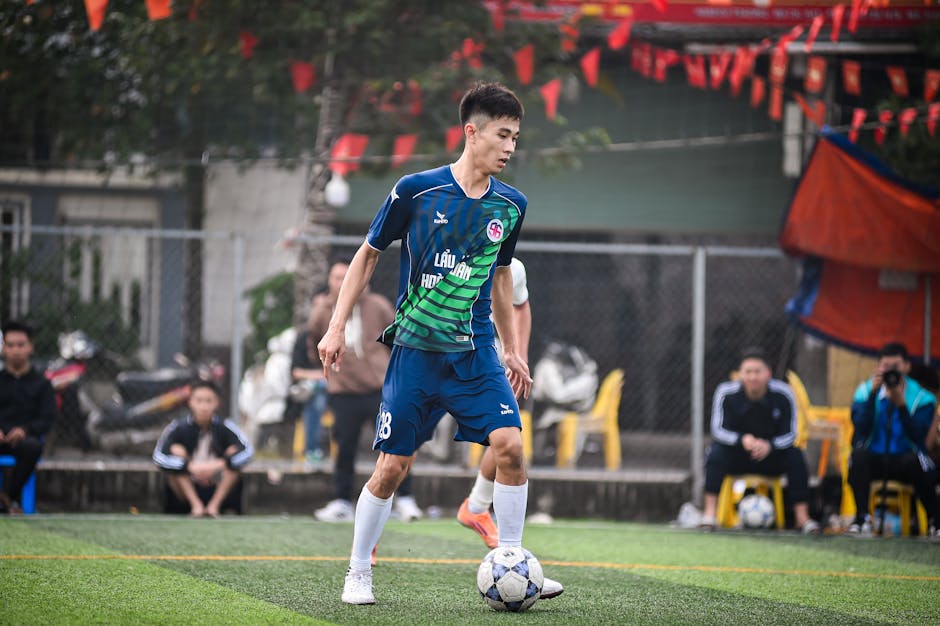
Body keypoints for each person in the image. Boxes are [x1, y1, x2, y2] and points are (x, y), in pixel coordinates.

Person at [317, 82, 562, 605]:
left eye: (516, 137)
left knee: (512, 448)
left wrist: (511, 347)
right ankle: (358, 571)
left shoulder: (510, 206)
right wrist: (336, 326)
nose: (510, 147)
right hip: (416, 354)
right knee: (391, 469)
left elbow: (500, 278)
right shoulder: (416, 191)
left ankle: (512, 558)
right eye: (503, 135)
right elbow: (368, 255)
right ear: (471, 133)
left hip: (474, 353)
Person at [310, 259, 423, 523]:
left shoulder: (378, 305)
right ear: (329, 281)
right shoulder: (323, 311)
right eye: (336, 277)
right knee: (344, 446)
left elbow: (399, 337)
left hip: (379, 389)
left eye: (346, 277)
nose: (341, 282)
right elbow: (312, 341)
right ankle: (341, 501)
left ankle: (404, 499)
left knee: (395, 443)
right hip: (343, 391)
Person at [699, 347, 820, 534]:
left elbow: (792, 434)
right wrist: (742, 440)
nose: (752, 377)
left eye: (758, 372)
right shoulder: (726, 392)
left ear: (768, 373)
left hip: (771, 458)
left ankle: (802, 519)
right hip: (738, 456)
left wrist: (769, 446)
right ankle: (709, 515)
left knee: (795, 455)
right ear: (740, 374)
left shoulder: (784, 393)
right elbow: (718, 429)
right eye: (748, 372)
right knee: (716, 452)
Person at [457, 256, 530, 549]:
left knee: (509, 437)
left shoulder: (514, 268)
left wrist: (518, 355)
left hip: (487, 367)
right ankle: (366, 545)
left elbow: (521, 306)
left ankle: (476, 508)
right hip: (438, 361)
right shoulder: (447, 257)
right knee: (400, 455)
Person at [846, 342, 939, 536]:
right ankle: (862, 518)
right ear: (878, 367)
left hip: (906, 459)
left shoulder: (923, 398)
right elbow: (859, 430)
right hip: (876, 459)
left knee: (920, 461)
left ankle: (935, 521)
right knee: (857, 455)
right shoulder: (864, 392)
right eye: (885, 367)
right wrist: (873, 395)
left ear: (907, 366)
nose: (890, 372)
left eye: (895, 367)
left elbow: (919, 438)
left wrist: (901, 404)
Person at [153, 380, 253, 517]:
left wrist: (222, 464)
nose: (204, 406)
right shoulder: (177, 427)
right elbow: (158, 457)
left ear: (217, 403)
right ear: (190, 402)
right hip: (187, 486)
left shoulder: (227, 426)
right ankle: (196, 506)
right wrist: (189, 466)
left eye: (209, 401)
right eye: (199, 401)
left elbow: (248, 452)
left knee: (234, 456)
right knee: (176, 451)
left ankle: (213, 507)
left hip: (216, 483)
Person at [0, 321, 56, 515]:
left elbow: (47, 419)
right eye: (11, 345)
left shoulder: (42, 384)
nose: (16, 350)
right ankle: (8, 501)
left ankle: (8, 497)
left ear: (30, 347)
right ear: (4, 348)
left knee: (33, 447)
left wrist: (24, 431)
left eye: (21, 345)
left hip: (25, 441)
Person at [289, 328, 328, 466]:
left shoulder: (332, 336)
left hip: (335, 390)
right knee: (316, 399)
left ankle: (312, 449)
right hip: (309, 392)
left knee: (318, 393)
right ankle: (312, 449)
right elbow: (296, 372)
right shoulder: (303, 339)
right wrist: (317, 378)